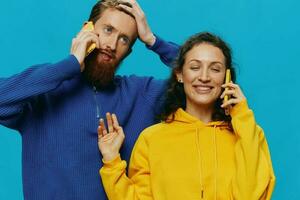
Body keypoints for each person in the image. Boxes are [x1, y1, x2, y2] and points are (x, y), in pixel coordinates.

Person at [0, 0, 179, 199]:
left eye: (124, 39)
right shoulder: (44, 93)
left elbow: (206, 80)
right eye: (108, 30)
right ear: (87, 29)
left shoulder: (141, 94)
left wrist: (154, 41)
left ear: (128, 52)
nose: (112, 45)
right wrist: (70, 65)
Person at [98, 32, 276, 199]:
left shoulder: (249, 134)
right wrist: (112, 162)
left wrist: (242, 117)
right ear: (180, 75)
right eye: (195, 67)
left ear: (226, 78)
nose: (204, 77)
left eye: (215, 69)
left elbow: (251, 195)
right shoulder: (151, 139)